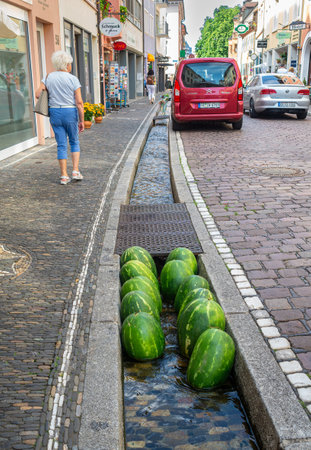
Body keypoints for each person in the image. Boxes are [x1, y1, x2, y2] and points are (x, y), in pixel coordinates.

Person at [35, 50, 84, 185]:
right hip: (70, 112)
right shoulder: (73, 79)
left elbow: (38, 94)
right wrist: (81, 120)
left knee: (61, 144)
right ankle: (75, 170)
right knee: (74, 141)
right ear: (67, 64)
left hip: (55, 112)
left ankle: (63, 176)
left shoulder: (49, 77)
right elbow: (79, 102)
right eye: (70, 64)